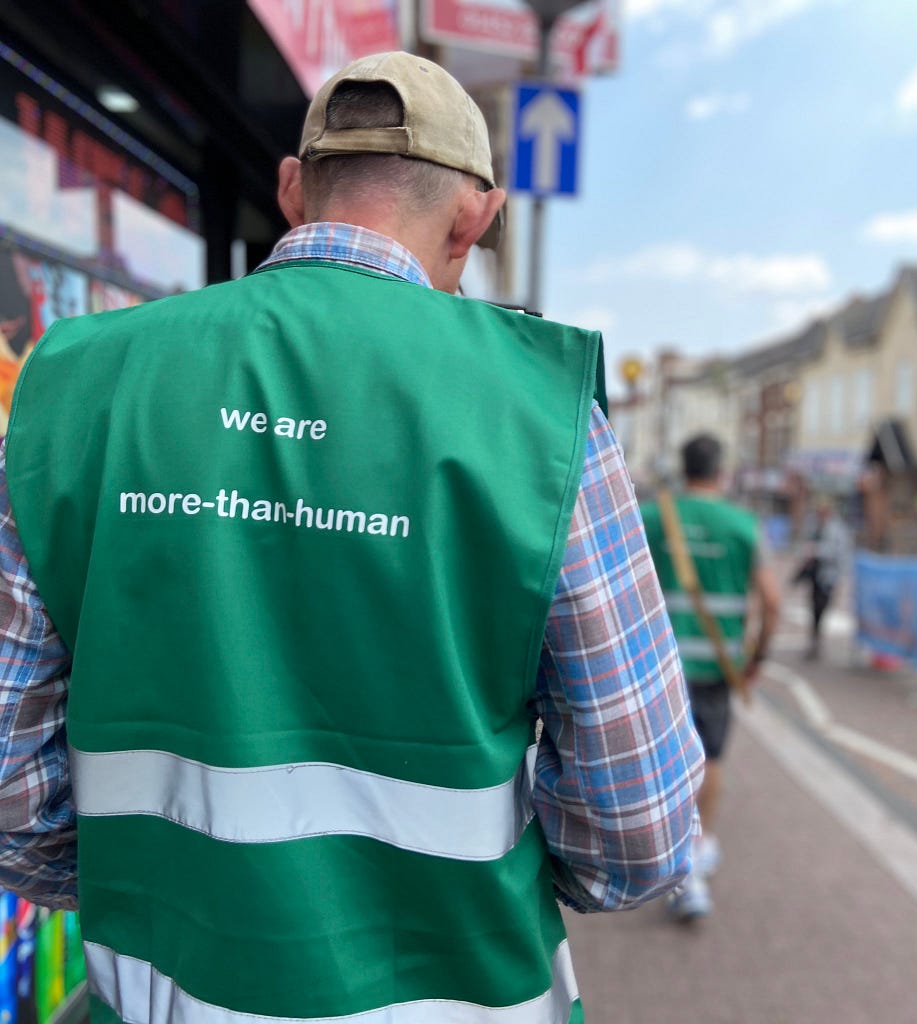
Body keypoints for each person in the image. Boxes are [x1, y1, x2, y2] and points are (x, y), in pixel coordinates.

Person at [0, 52, 704, 1024]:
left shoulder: (78, 382)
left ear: (292, 189)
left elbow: (8, 776)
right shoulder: (535, 412)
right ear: (475, 216)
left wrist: (148, 884)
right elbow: (638, 828)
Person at [641, 433, 779, 921]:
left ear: (683, 468)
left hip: (657, 663)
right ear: (722, 471)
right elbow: (773, 600)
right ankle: (693, 860)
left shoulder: (653, 518)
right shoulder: (743, 524)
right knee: (711, 757)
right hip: (716, 667)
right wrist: (756, 656)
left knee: (661, 759)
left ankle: (652, 851)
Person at [793, 495, 849, 660]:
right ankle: (814, 641)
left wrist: (816, 550)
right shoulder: (815, 526)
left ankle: (817, 641)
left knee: (822, 608)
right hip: (816, 576)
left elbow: (838, 553)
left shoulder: (837, 529)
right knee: (814, 609)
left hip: (827, 576)